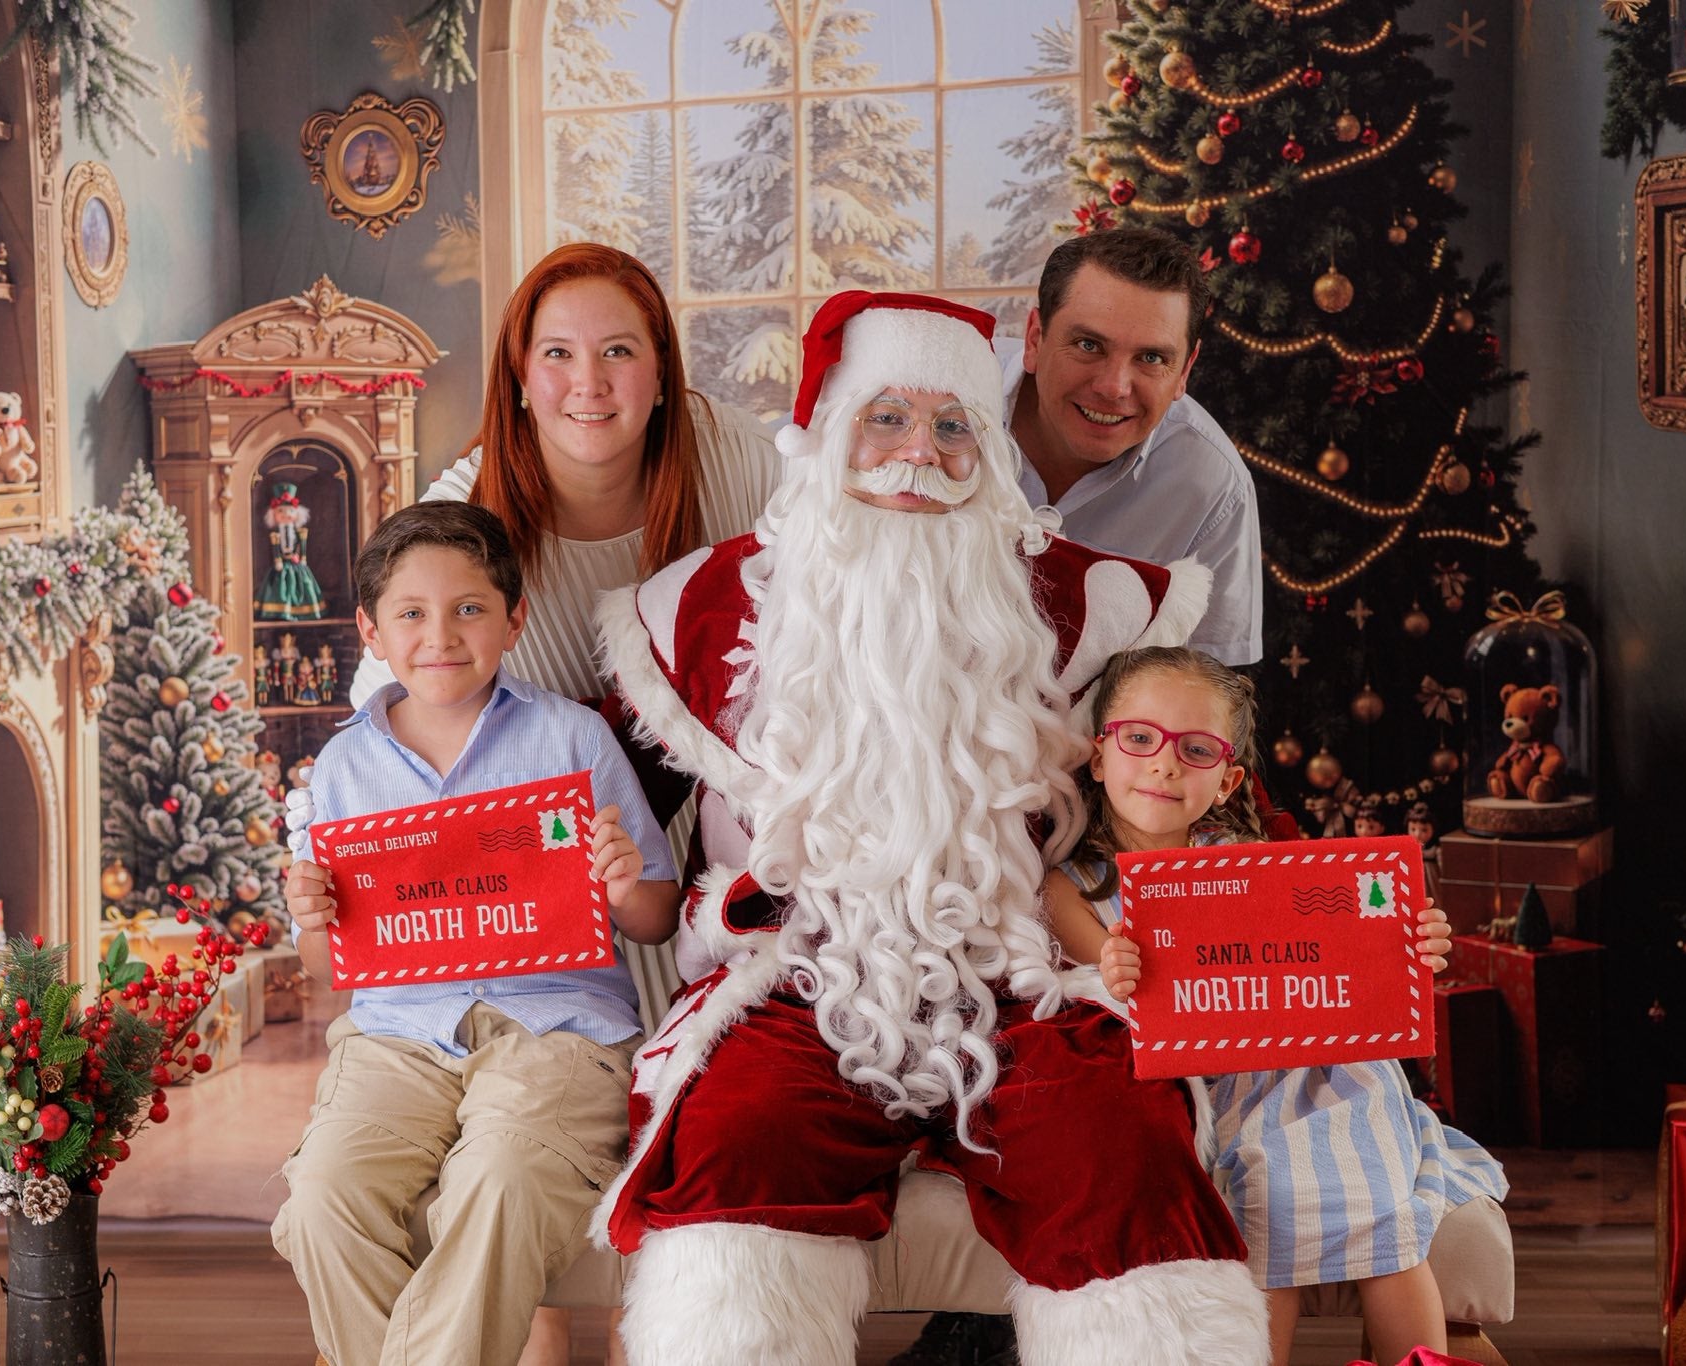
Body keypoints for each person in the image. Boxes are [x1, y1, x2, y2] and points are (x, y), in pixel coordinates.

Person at [594, 291, 1265, 1366]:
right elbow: (595, 789)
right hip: (799, 981)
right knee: (736, 1145)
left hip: (1027, 978)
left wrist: (1339, 921)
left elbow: (1203, 776)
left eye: (953, 425)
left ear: (988, 450)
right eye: (887, 418)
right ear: (827, 435)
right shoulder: (704, 609)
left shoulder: (1090, 605)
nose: (919, 453)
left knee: (1121, 1143)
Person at [290, 242, 779, 1365]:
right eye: (556, 353)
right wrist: (326, 871)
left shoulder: (729, 462)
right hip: (516, 878)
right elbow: (390, 731)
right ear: (518, 375)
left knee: (577, 1158)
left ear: (663, 370)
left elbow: (822, 608)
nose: (588, 383)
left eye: (619, 351)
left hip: (678, 860)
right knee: (499, 1233)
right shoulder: (464, 514)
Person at [272, 502, 681, 1366]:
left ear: (514, 619)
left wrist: (621, 884)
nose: (441, 636)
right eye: (411, 613)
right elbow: (329, 970)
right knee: (320, 1198)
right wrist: (313, 919)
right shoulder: (344, 766)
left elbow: (655, 918)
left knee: (499, 1177)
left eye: (469, 608)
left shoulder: (572, 737)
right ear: (371, 632)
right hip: (397, 1036)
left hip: (557, 1032)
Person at [1047, 646, 1509, 1366]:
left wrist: (1409, 939)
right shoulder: (1071, 886)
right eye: (1140, 739)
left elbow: (1344, 944)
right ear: (1100, 756)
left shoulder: (1253, 860)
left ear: (1227, 780)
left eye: (1196, 750)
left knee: (1387, 1220)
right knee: (1270, 1209)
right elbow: (1099, 990)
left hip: (1319, 1065)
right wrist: (1115, 967)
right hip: (1211, 1081)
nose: (1165, 766)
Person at [1002, 226, 1262, 666]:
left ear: (1185, 370)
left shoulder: (1215, 486)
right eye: (1088, 345)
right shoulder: (931, 404)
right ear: (1034, 339)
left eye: (1152, 358)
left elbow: (1208, 685)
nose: (1114, 387)